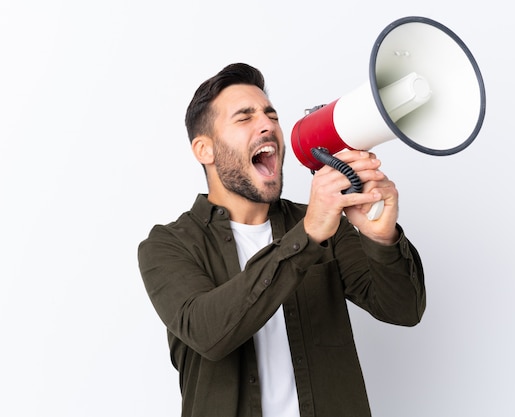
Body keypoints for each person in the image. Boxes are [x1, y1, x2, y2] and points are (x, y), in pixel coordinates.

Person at [138, 62, 426, 417]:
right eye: (245, 117)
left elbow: (404, 309)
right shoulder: (167, 246)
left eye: (271, 115)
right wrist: (306, 237)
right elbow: (209, 334)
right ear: (204, 150)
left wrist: (382, 239)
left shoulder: (324, 222)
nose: (268, 125)